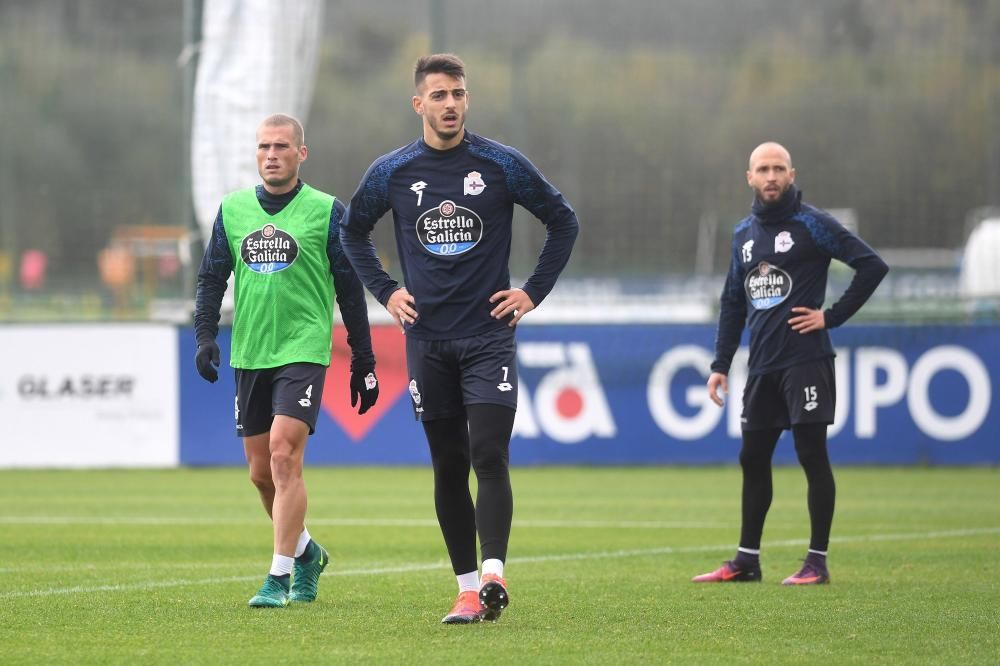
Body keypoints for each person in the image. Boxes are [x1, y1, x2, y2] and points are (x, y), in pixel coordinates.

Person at [340, 54, 579, 623]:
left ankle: (494, 574)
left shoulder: (499, 164)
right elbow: (352, 230)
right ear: (418, 104)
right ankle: (467, 589)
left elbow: (562, 220)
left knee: (489, 453)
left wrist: (532, 293)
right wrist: (386, 291)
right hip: (427, 341)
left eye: (459, 94)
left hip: (488, 337)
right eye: (440, 95)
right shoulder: (393, 171)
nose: (451, 104)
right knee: (448, 465)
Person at [193, 113, 380, 608]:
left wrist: (363, 360)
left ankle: (278, 577)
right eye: (263, 147)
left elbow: (349, 290)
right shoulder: (233, 210)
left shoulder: (326, 211)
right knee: (260, 473)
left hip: (303, 349)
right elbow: (212, 278)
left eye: (281, 146)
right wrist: (204, 336)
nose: (271, 155)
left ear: (301, 153)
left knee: (282, 452)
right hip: (250, 351)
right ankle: (307, 552)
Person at [693, 142, 888, 586]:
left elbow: (871, 266)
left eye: (779, 168)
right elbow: (731, 301)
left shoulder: (813, 225)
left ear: (792, 174)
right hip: (762, 366)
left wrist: (830, 317)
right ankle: (747, 560)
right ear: (750, 177)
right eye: (763, 169)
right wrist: (721, 363)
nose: (771, 176)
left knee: (811, 455)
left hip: (806, 362)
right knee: (752, 457)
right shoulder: (743, 234)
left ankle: (816, 563)